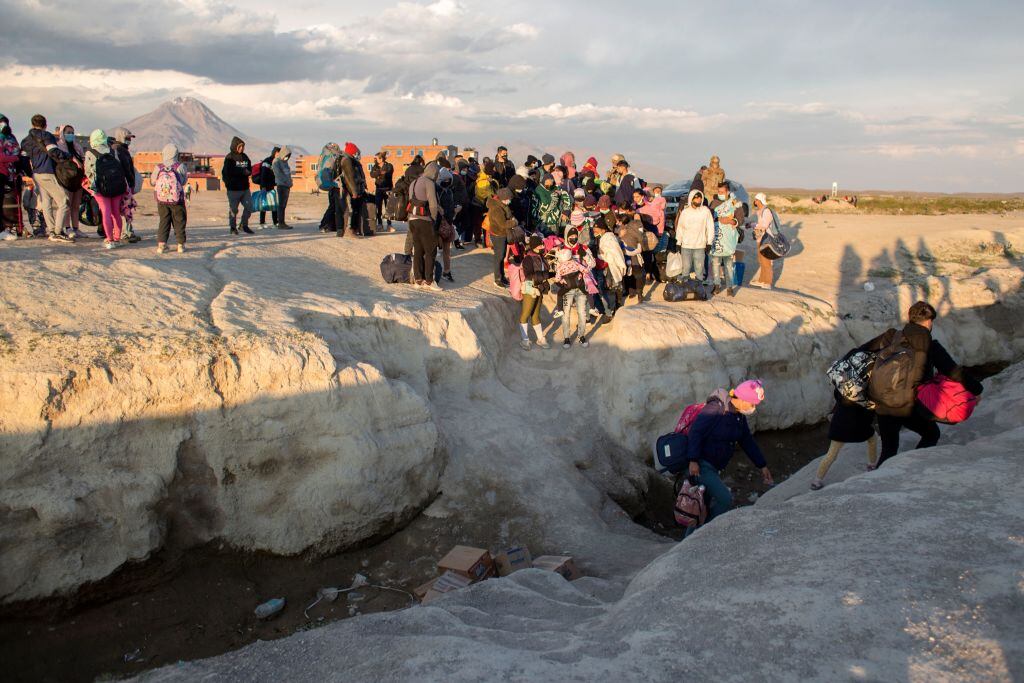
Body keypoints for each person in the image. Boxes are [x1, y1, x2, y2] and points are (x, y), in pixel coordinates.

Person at [861, 301, 983, 467]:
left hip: (883, 402)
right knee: (931, 433)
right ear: (928, 322)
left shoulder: (891, 336)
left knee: (889, 449)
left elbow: (862, 352)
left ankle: (877, 481)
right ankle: (914, 467)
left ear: (910, 319)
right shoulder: (930, 346)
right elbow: (954, 371)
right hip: (909, 405)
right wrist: (977, 389)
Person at [685, 380, 774, 535]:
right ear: (743, 399)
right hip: (701, 466)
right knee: (724, 499)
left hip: (713, 467)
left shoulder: (738, 417)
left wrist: (762, 465)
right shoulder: (716, 409)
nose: (753, 408)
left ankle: (694, 536)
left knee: (701, 506)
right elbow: (695, 432)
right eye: (752, 404)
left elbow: (747, 441)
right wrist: (693, 460)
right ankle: (702, 533)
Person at [21, 114, 72, 242]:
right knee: (64, 201)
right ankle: (58, 232)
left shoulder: (25, 141)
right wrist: (68, 156)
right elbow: (53, 151)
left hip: (36, 174)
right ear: (45, 125)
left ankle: (51, 230)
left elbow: (23, 159)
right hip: (48, 172)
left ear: (32, 124)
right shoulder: (47, 136)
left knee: (46, 202)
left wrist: (29, 173)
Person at [84, 128, 127, 249]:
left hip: (100, 188)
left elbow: (87, 172)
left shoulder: (90, 153)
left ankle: (109, 239)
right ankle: (117, 238)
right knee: (116, 213)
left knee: (106, 212)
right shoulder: (112, 151)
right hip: (117, 186)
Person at [408, 161, 441, 291]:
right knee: (430, 251)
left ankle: (418, 280)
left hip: (412, 220)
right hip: (425, 220)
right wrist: (434, 218)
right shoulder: (429, 182)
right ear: (434, 173)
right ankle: (429, 281)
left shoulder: (413, 183)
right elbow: (432, 203)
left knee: (418, 250)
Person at [708, 180, 745, 296]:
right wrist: (719, 219)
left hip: (729, 239)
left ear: (728, 191)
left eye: (722, 191)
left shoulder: (734, 203)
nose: (720, 193)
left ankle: (729, 288)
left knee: (728, 265)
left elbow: (741, 219)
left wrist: (732, 220)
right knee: (715, 264)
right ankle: (717, 286)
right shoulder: (713, 203)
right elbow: (708, 218)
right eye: (718, 191)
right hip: (717, 238)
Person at [153, 143, 188, 254]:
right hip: (177, 200)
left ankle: (161, 245)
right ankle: (180, 245)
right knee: (179, 221)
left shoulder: (158, 167)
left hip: (162, 200)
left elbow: (153, 182)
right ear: (176, 154)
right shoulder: (180, 166)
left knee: (164, 220)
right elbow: (183, 182)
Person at [55, 124, 87, 240]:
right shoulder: (59, 146)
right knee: (67, 204)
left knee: (76, 205)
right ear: (62, 133)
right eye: (68, 132)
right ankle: (67, 228)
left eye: (72, 132)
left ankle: (76, 228)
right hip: (66, 179)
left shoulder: (77, 146)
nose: (70, 135)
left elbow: (83, 158)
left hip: (78, 179)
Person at [674, 189, 714, 282]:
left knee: (699, 269)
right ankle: (685, 289)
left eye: (700, 198)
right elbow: (680, 227)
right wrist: (678, 242)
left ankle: (699, 289)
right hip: (686, 245)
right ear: (691, 199)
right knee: (686, 269)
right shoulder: (685, 212)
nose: (698, 200)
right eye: (696, 198)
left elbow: (710, 227)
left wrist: (709, 242)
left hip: (700, 245)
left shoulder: (705, 211)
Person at [109, 127, 141, 243]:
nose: (129, 140)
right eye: (127, 138)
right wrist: (131, 183)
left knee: (121, 208)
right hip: (124, 184)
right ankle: (127, 232)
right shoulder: (120, 150)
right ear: (121, 137)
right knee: (126, 208)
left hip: (118, 183)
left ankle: (125, 231)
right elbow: (127, 169)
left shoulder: (116, 149)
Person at [518, 235, 549, 350]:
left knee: (536, 315)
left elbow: (544, 271)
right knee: (525, 314)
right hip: (530, 289)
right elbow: (529, 275)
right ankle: (525, 340)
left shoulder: (541, 256)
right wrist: (546, 275)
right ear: (534, 246)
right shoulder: (528, 259)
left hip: (540, 288)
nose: (542, 246)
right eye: (540, 244)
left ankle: (540, 339)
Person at [594, 219, 626, 318]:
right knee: (610, 287)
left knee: (614, 287)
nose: (594, 230)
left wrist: (602, 255)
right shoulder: (603, 237)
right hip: (606, 265)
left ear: (603, 229)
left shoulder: (609, 238)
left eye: (596, 229)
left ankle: (617, 307)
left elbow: (615, 253)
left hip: (612, 265)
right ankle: (614, 307)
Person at [222, 136, 253, 235]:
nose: (242, 149)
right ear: (235, 146)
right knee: (234, 209)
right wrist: (241, 172)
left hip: (245, 188)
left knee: (249, 207)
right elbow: (227, 172)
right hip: (233, 189)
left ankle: (243, 225)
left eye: (243, 147)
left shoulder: (245, 157)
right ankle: (233, 227)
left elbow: (249, 169)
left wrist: (247, 172)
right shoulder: (229, 157)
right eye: (240, 146)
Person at [486, 187, 517, 287]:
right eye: (509, 199)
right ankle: (498, 279)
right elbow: (503, 224)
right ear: (504, 198)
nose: (510, 201)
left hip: (501, 234)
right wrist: (514, 222)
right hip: (498, 234)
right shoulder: (496, 208)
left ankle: (501, 276)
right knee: (499, 257)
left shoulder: (501, 204)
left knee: (501, 256)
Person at [336, 142, 368, 237]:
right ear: (352, 152)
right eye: (356, 152)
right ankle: (351, 229)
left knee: (355, 209)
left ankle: (353, 229)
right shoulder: (347, 160)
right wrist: (354, 191)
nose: (357, 155)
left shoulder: (350, 160)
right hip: (349, 190)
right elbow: (350, 178)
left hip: (351, 189)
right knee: (353, 210)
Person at [616, 211, 646, 302]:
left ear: (622, 222)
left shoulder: (621, 229)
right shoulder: (636, 228)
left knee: (628, 275)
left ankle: (631, 292)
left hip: (626, 256)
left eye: (619, 221)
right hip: (636, 256)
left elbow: (619, 242)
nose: (617, 223)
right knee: (638, 275)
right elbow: (640, 239)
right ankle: (639, 293)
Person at [0, 115, 21, 241]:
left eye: (4, 122)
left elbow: (17, 150)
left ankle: (7, 228)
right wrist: (14, 158)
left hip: (10, 173)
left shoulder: (11, 137)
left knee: (7, 200)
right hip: (2, 171)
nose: (3, 125)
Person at [751, 193, 776, 289]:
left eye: (756, 200)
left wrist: (755, 226)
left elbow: (764, 225)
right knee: (761, 260)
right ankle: (762, 280)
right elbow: (760, 224)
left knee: (767, 261)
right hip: (760, 238)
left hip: (767, 239)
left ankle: (767, 282)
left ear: (760, 200)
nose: (755, 201)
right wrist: (753, 224)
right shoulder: (760, 211)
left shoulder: (766, 211)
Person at [316, 142, 342, 233]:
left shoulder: (326, 156)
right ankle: (324, 225)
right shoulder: (332, 157)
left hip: (330, 185)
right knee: (334, 206)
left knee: (333, 206)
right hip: (334, 185)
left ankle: (331, 225)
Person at [370, 151, 394, 232]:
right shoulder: (375, 167)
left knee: (388, 208)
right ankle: (379, 224)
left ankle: (389, 225)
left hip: (388, 189)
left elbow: (388, 174)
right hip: (379, 190)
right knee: (378, 208)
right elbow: (372, 175)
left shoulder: (389, 165)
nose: (375, 160)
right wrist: (380, 172)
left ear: (381, 158)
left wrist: (379, 174)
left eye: (376, 158)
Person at [271, 146, 294, 229]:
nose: (287, 157)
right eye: (286, 155)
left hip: (287, 186)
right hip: (281, 185)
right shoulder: (276, 162)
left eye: (289, 155)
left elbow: (288, 174)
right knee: (281, 205)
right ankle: (280, 223)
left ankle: (282, 222)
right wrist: (286, 182)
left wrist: (290, 182)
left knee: (284, 205)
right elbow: (278, 175)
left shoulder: (285, 162)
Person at [258, 146, 279, 227]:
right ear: (275, 153)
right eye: (278, 153)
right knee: (264, 204)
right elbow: (263, 175)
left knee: (273, 204)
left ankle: (275, 222)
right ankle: (262, 222)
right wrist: (263, 187)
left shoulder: (276, 162)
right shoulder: (267, 161)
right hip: (264, 186)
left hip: (271, 186)